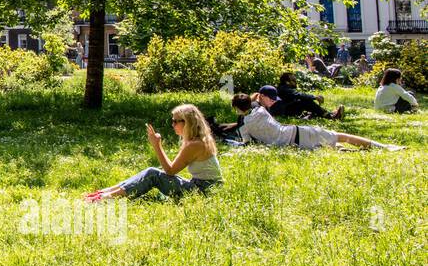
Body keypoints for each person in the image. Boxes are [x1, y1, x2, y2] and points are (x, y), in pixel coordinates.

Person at [86, 104, 223, 201]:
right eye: (172, 121)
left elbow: (170, 171)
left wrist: (157, 145)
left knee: (153, 174)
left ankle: (106, 197)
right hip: (205, 188)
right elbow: (170, 169)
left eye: (175, 121)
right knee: (154, 171)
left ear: (187, 122)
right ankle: (105, 192)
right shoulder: (198, 140)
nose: (172, 124)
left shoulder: (195, 145)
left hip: (204, 192)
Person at [232, 92, 402, 151]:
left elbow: (247, 143)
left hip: (291, 145)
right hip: (296, 132)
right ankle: (384, 147)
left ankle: (375, 149)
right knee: (339, 137)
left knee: (333, 146)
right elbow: (257, 100)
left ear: (236, 109)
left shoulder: (244, 126)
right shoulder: (261, 110)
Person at [272, 76, 343, 121]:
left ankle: (328, 113)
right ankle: (330, 116)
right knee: (306, 101)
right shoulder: (284, 88)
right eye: (293, 80)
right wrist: (314, 97)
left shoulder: (283, 87)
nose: (295, 82)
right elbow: (298, 95)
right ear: (287, 82)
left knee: (305, 102)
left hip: (286, 109)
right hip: (285, 111)